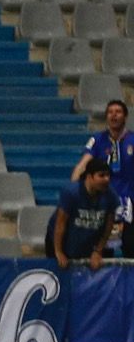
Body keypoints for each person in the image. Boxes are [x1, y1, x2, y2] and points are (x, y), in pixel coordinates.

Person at [72, 99, 134, 236]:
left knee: (130, 245)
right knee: (101, 247)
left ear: (125, 116)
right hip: (102, 200)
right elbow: (82, 165)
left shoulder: (132, 140)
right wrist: (73, 191)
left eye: (118, 112)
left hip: (130, 199)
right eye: (110, 112)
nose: (114, 115)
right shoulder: (97, 139)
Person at [50, 158, 117, 270]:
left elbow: (108, 227)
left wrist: (98, 251)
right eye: (102, 175)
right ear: (89, 176)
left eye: (108, 176)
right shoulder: (71, 193)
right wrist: (59, 252)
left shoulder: (110, 196)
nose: (107, 179)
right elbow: (60, 224)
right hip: (61, 241)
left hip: (86, 241)